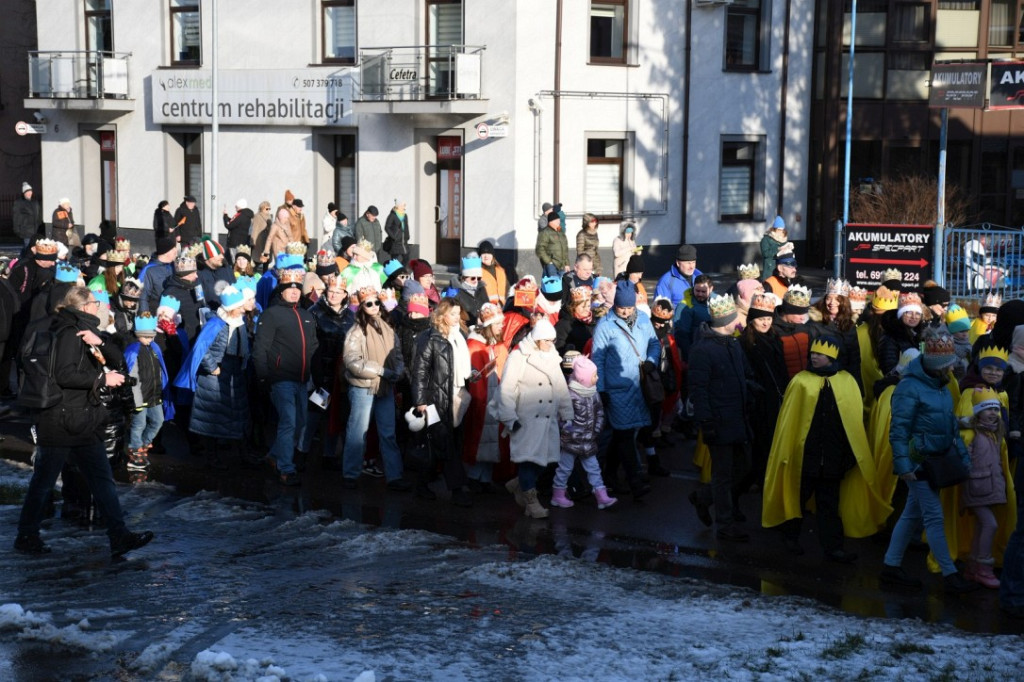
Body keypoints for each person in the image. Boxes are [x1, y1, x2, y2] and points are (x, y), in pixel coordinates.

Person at [14, 286, 154, 557]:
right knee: (43, 482)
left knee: (102, 480)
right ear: (85, 306)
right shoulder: (68, 332)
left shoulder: (86, 330)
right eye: (95, 302)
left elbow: (117, 360)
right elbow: (64, 374)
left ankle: (119, 535)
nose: (100, 306)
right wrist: (101, 379)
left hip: (83, 420)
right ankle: (26, 535)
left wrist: (99, 341)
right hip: (61, 420)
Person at [762, 337, 889, 562]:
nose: (814, 357)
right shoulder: (800, 381)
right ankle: (790, 537)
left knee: (829, 504)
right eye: (813, 353)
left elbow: (853, 422)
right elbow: (789, 422)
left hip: (833, 457)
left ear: (832, 358)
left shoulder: (847, 382)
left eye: (819, 354)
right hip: (805, 457)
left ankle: (833, 547)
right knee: (798, 498)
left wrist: (849, 454)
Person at [880, 331, 980, 594]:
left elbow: (950, 426)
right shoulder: (909, 387)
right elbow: (898, 430)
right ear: (937, 365)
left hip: (935, 459)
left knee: (912, 514)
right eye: (949, 363)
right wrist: (905, 466)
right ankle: (950, 574)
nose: (954, 366)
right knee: (933, 517)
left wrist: (962, 456)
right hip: (918, 459)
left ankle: (890, 567)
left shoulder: (942, 384)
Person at [687, 293, 753, 540]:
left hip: (737, 417)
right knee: (723, 475)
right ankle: (724, 525)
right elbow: (698, 390)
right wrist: (706, 423)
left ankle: (703, 498)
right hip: (719, 421)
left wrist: (750, 386)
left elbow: (740, 374)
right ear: (725, 320)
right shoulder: (703, 350)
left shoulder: (733, 343)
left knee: (744, 467)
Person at [497, 318, 573, 518]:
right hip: (526, 420)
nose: (551, 344)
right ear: (538, 339)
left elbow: (560, 387)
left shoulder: (552, 356)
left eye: (553, 340)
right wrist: (509, 417)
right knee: (528, 461)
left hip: (548, 420)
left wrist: (567, 414)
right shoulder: (518, 357)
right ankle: (531, 502)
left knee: (546, 461)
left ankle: (519, 484)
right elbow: (506, 389)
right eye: (547, 340)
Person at [592, 280, 658, 499]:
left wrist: (651, 360)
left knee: (624, 434)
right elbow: (598, 359)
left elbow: (655, 344)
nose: (626, 311)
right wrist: (601, 389)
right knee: (625, 434)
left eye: (629, 308)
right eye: (622, 308)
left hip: (638, 387)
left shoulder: (644, 320)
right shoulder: (605, 326)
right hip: (616, 388)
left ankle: (609, 474)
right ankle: (636, 481)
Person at [339, 287, 410, 491]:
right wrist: (380, 371)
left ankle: (394, 476)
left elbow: (397, 354)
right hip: (363, 387)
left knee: (388, 433)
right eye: (368, 303)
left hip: (385, 387)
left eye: (376, 302)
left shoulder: (387, 328)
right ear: (361, 306)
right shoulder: (355, 331)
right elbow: (352, 361)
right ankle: (350, 474)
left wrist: (398, 371)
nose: (373, 306)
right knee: (357, 431)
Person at [252, 267, 318, 485]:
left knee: (300, 423)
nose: (294, 292)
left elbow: (313, 346)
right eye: (289, 288)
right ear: (281, 290)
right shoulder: (271, 314)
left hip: (302, 379)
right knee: (289, 422)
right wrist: (263, 377)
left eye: (297, 288)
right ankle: (286, 469)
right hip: (280, 379)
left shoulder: (306, 315)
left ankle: (273, 456)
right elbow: (260, 348)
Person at [175, 285, 251, 470]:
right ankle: (212, 458)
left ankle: (243, 455)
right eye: (240, 306)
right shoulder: (216, 324)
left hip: (234, 373)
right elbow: (202, 348)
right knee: (212, 419)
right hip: (215, 375)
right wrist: (212, 367)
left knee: (238, 415)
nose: (244, 309)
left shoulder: (239, 322)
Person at [411, 298, 474, 505]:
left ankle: (421, 483)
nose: (458, 318)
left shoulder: (458, 337)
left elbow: (458, 367)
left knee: (443, 443)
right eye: (453, 314)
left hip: (455, 395)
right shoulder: (430, 338)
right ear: (442, 315)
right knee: (444, 443)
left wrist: (471, 375)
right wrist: (420, 401)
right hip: (434, 399)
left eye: (458, 313)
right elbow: (419, 371)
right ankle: (457, 489)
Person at [957, 387, 1015, 588]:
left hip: (988, 488)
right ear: (978, 411)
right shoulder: (972, 433)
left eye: (996, 409)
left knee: (983, 526)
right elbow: (963, 459)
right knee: (990, 525)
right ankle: (983, 567)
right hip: (976, 488)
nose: (993, 413)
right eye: (988, 409)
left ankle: (972, 567)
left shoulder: (994, 433)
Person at [549, 354, 617, 510]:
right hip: (571, 440)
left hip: (588, 439)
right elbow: (561, 416)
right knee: (565, 468)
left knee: (593, 468)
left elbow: (599, 412)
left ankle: (601, 495)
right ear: (583, 378)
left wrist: (597, 429)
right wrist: (569, 430)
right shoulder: (569, 394)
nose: (597, 378)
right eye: (594, 375)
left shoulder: (593, 392)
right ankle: (558, 494)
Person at [301, 274, 353, 470]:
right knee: (314, 415)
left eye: (338, 292)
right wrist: (313, 375)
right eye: (331, 291)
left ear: (345, 294)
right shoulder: (314, 312)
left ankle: (329, 455)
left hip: (340, 377)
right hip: (320, 374)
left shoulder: (351, 316)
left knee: (335, 415)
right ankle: (301, 452)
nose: (333, 295)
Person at [123, 312, 169, 471]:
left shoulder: (154, 348)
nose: (150, 340)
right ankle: (135, 451)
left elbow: (160, 370)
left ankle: (142, 444)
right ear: (139, 335)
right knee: (139, 424)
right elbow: (132, 375)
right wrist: (134, 398)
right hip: (140, 395)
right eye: (146, 337)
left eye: (152, 337)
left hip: (154, 395)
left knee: (158, 421)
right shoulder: (133, 351)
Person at [137, 237, 178, 314]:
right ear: (166, 252)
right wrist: (145, 316)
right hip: (157, 311)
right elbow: (143, 295)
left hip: (175, 311)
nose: (176, 252)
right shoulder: (149, 269)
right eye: (173, 250)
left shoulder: (174, 267)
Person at [196, 238, 235, 308]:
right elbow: (199, 300)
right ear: (208, 257)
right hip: (211, 313)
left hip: (231, 311)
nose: (222, 257)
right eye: (218, 254)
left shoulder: (226, 269)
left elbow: (235, 287)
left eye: (222, 254)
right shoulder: (199, 274)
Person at [453, 253, 489, 325]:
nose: (476, 280)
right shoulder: (455, 292)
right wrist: (474, 321)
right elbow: (455, 316)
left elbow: (487, 305)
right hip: (465, 329)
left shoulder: (481, 288)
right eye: (473, 278)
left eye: (478, 278)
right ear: (464, 277)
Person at [535, 211, 570, 277]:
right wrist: (549, 262)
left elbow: (565, 249)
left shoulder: (561, 233)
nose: (559, 222)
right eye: (557, 220)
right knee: (552, 285)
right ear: (551, 221)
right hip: (551, 266)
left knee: (562, 285)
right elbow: (540, 249)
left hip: (562, 266)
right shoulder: (545, 232)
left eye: (559, 220)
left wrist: (567, 264)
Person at [477, 241, 508, 305]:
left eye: (488, 253)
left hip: (502, 308)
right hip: (486, 309)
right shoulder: (477, 272)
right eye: (483, 253)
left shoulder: (501, 271)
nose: (486, 256)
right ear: (480, 256)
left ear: (492, 255)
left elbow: (507, 289)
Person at [13, 181, 42, 246]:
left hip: (35, 229)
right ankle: (25, 256)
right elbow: (16, 216)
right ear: (24, 193)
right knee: (28, 247)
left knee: (31, 247)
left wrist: (39, 224)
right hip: (25, 229)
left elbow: (39, 214)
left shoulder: (35, 202)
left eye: (30, 191)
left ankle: (22, 256)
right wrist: (16, 229)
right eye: (27, 192)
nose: (29, 193)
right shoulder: (19, 203)